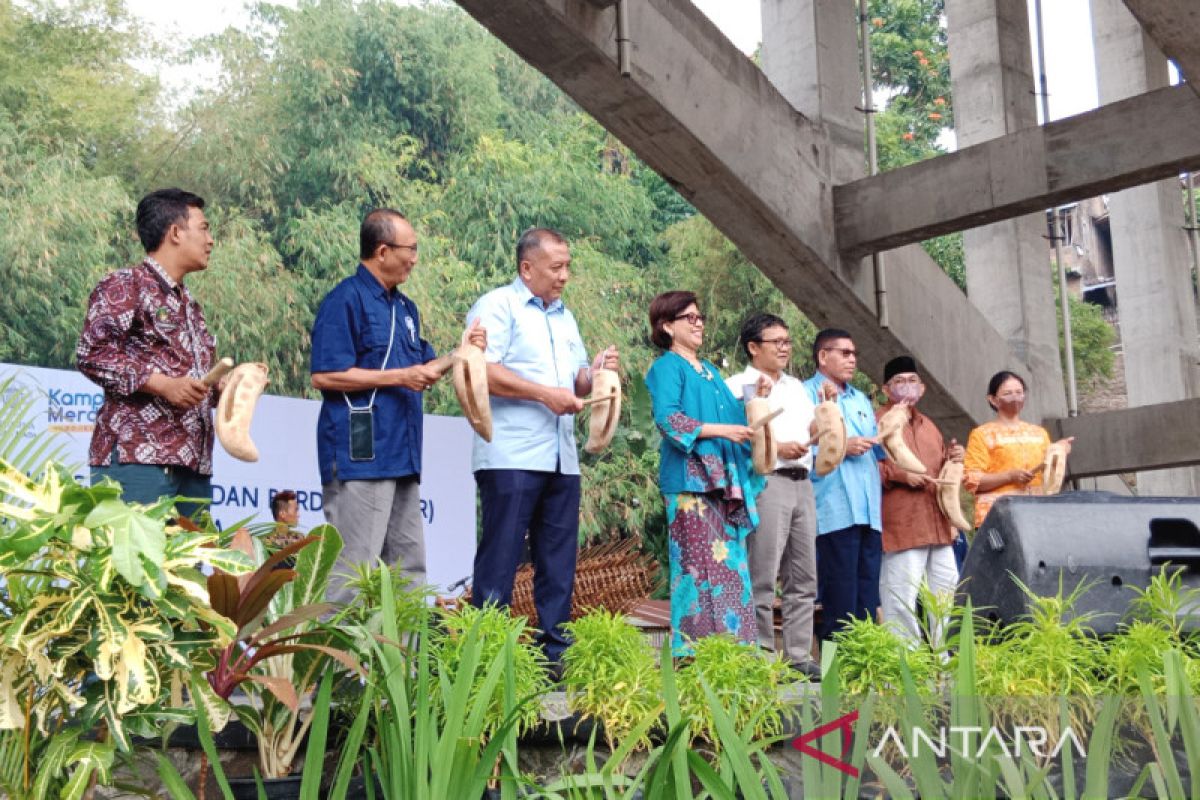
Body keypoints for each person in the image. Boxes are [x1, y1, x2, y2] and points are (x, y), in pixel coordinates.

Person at [310, 208, 484, 601]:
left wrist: (462, 353)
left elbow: (424, 368)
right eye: (412, 249)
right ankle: (337, 663)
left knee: (409, 570)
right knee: (353, 572)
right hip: (360, 457)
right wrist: (398, 378)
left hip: (403, 456)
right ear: (383, 250)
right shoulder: (344, 300)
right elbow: (324, 375)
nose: (416, 258)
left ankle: (399, 662)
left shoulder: (406, 310)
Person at [465, 227, 618, 669]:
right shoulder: (498, 305)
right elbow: (481, 371)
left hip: (561, 456)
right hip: (511, 453)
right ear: (527, 268)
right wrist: (543, 394)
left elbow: (576, 381)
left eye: (568, 266)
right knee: (501, 557)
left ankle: (556, 653)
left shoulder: (565, 317)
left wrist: (595, 373)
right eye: (557, 267)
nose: (565, 275)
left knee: (558, 560)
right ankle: (489, 654)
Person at [77, 188, 218, 520]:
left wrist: (228, 387)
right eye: (204, 228)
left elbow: (193, 385)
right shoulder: (126, 284)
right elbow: (92, 353)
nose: (211, 240)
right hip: (138, 461)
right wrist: (162, 385)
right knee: (136, 570)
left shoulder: (191, 306)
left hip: (193, 466)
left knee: (187, 572)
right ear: (175, 233)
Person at [645, 291, 764, 657]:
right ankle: (695, 656)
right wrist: (723, 431)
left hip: (720, 483)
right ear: (667, 326)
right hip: (689, 484)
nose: (698, 323)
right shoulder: (666, 367)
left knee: (731, 569)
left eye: (700, 317)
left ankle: (734, 654)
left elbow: (735, 420)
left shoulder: (710, 371)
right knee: (697, 572)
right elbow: (668, 418)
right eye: (689, 317)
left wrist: (753, 399)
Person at [725, 314, 820, 678]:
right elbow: (739, 433)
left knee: (804, 574)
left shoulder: (797, 386)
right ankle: (761, 652)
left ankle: (798, 654)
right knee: (762, 571)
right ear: (753, 347)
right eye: (775, 341)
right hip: (767, 480)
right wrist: (778, 446)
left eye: (787, 341)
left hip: (803, 482)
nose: (783, 347)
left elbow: (811, 426)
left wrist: (825, 416)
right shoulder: (737, 385)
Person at [803, 328, 887, 641]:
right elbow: (799, 449)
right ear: (823, 356)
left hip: (868, 510)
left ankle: (863, 669)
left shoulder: (861, 398)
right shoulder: (804, 394)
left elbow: (879, 451)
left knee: (867, 595)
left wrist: (888, 433)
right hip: (833, 508)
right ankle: (835, 675)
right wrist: (842, 445)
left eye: (854, 354)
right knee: (839, 596)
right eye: (844, 353)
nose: (852, 360)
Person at [875, 356, 963, 647]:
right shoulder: (877, 421)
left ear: (922, 388)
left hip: (937, 524)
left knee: (946, 596)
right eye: (899, 382)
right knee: (900, 596)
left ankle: (943, 657)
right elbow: (866, 467)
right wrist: (900, 475)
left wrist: (953, 460)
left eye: (912, 381)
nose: (907, 387)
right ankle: (906, 660)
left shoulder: (930, 426)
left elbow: (941, 475)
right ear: (886, 390)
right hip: (902, 525)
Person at [964, 370, 1074, 529]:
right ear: (993, 400)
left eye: (1019, 392)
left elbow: (1051, 477)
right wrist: (1009, 476)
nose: (1015, 397)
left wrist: (1059, 452)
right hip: (997, 518)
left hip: (1036, 516)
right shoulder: (982, 434)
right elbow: (972, 481)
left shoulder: (1039, 434)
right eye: (1008, 393)